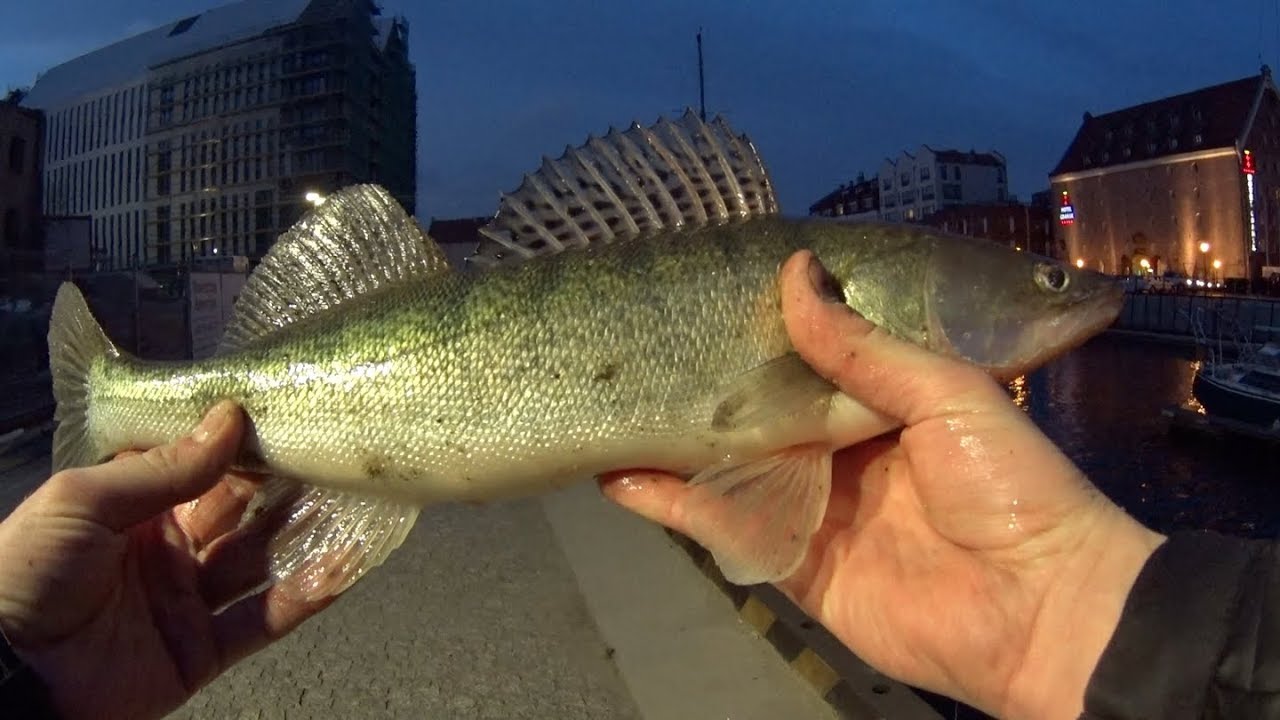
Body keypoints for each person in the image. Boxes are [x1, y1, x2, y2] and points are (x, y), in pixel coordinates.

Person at [0, 250, 1268, 719]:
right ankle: (126, 391)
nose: (1073, 301)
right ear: (881, 307)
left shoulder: (848, 369)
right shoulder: (818, 317)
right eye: (1045, 286)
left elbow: (777, 492)